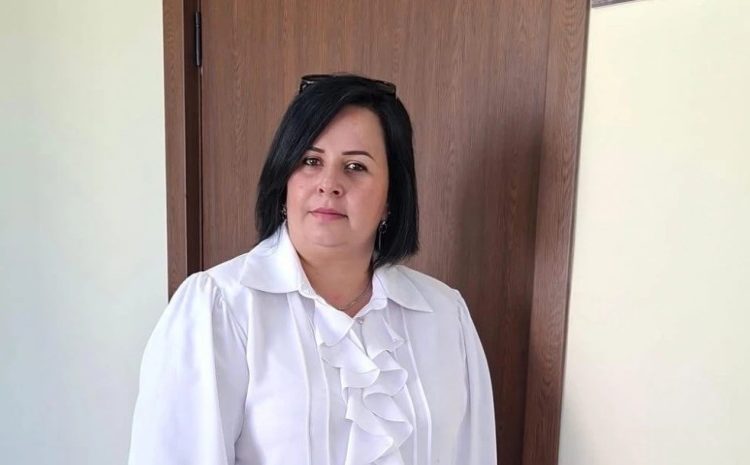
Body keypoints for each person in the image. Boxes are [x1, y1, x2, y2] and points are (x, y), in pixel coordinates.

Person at [128, 74, 496, 465]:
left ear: (391, 197)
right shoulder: (219, 308)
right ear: (284, 178)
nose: (329, 184)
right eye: (310, 161)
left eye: (355, 166)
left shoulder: (444, 315)